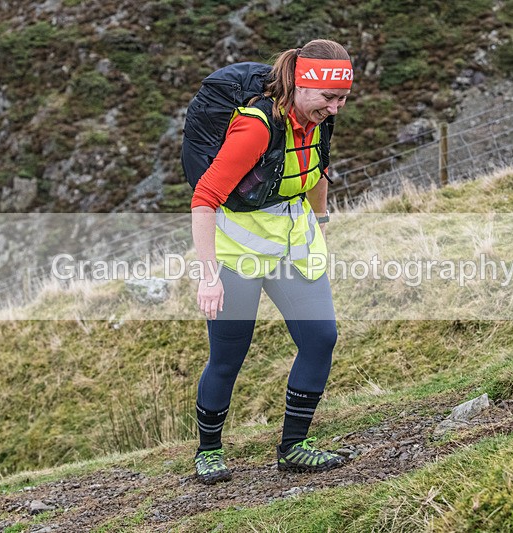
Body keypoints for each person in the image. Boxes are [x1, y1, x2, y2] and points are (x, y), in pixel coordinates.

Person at [190, 38, 353, 484]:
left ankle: (294, 447)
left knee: (321, 338)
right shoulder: (256, 126)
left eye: (342, 99)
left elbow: (316, 168)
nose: (335, 108)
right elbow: (204, 199)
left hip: (291, 248)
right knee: (229, 356)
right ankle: (208, 451)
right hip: (238, 254)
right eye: (328, 97)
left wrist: (319, 220)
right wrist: (209, 278)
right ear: (300, 84)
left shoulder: (317, 119)